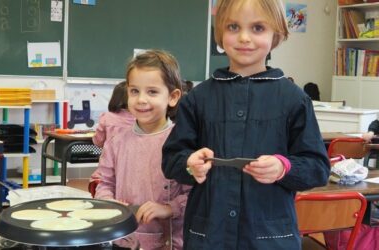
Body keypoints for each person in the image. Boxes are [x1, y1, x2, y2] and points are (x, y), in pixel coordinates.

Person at [162, 0, 331, 249]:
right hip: (209, 237)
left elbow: (317, 167)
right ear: (219, 32)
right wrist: (189, 164)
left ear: (277, 33)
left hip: (269, 239)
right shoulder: (198, 98)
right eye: (233, 26)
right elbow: (171, 159)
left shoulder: (295, 99)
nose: (244, 37)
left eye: (258, 28)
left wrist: (283, 167)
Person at [95, 49, 190, 250]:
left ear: (172, 97)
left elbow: (196, 194)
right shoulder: (116, 142)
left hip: (169, 242)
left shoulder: (182, 143)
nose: (141, 100)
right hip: (123, 239)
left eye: (152, 91)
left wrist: (168, 208)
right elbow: (104, 182)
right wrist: (108, 202)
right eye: (134, 91)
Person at [92, 81, 136, 148]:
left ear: (115, 98)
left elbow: (98, 141)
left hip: (110, 158)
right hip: (136, 157)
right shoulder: (142, 120)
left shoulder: (106, 118)